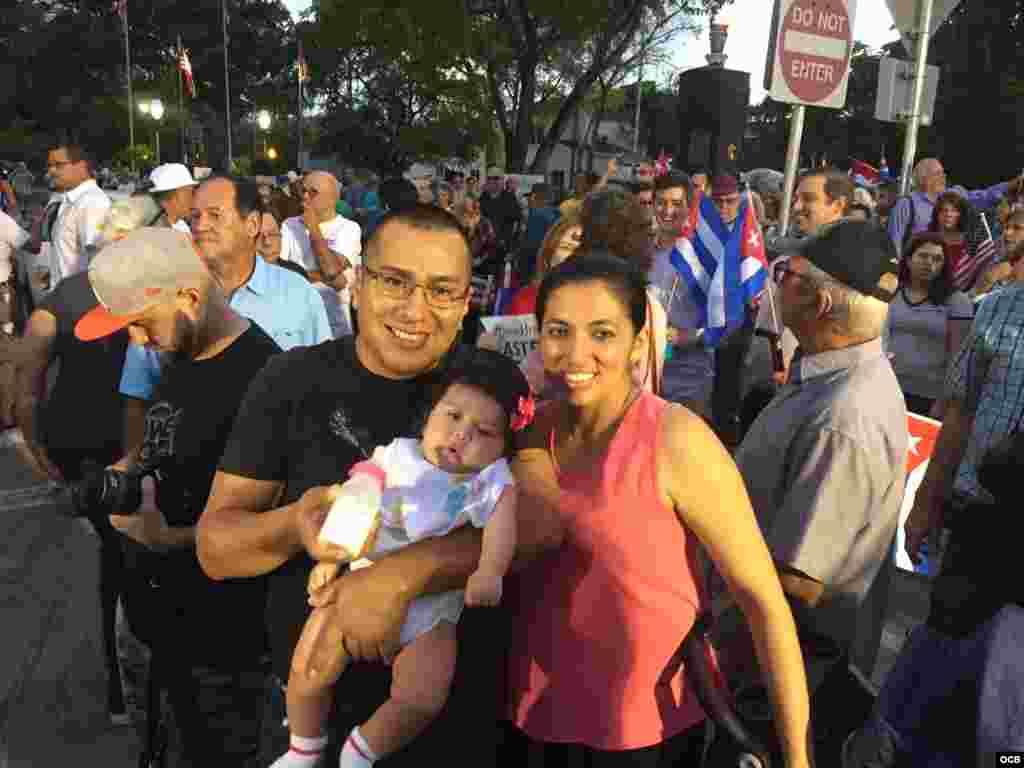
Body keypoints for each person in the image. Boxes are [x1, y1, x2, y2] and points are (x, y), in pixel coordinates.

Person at [195, 204, 563, 767]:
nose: (416, 310)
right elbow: (216, 547)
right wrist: (295, 524)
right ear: (360, 284)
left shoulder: (492, 388)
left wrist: (400, 576)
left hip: (448, 721)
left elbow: (540, 522)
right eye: (395, 281)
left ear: (466, 302)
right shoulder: (289, 380)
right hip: (311, 711)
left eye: (442, 291)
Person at [502, 252, 812, 768]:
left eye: (602, 333)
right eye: (559, 330)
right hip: (527, 719)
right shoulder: (531, 430)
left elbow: (764, 602)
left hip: (642, 736)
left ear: (638, 342)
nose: (578, 353)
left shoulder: (676, 438)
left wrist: (798, 758)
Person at [75, 227, 283, 766]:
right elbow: (167, 440)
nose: (138, 343)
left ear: (189, 298)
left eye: (141, 325)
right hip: (153, 626)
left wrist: (166, 538)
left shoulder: (266, 379)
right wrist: (133, 466)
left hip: (221, 648)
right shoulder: (183, 352)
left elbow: (280, 523)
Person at [272, 357, 529, 768]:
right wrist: (337, 550)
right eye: (453, 416)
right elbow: (360, 495)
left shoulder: (490, 481)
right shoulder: (397, 455)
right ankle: (303, 747)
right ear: (429, 417)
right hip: (362, 573)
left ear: (502, 448)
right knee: (309, 665)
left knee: (423, 695)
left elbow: (502, 525)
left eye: (482, 432)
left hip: (433, 603)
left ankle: (362, 750)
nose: (461, 435)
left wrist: (490, 570)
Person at [726, 222, 906, 758]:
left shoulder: (843, 418)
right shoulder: (825, 379)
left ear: (820, 300)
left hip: (782, 680)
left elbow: (800, 581)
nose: (776, 284)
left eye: (787, 274)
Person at [8, 196, 160, 728]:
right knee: (127, 557)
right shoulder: (144, 293)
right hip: (124, 448)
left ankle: (126, 685)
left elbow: (26, 382)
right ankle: (134, 683)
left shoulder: (62, 298)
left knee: (116, 558)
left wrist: (33, 447)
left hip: (82, 446)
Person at [117, 176, 332, 450]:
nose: (200, 225)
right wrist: (135, 470)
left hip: (272, 466)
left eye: (214, 215)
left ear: (252, 224)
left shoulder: (298, 293)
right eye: (195, 216)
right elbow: (137, 393)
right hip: (184, 467)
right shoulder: (165, 294)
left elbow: (321, 386)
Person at [887, 233, 973, 417]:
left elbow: (957, 358)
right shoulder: (891, 292)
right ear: (908, 260)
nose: (929, 263)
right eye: (923, 256)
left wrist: (943, 400)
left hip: (929, 396)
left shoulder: (957, 301)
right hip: (887, 386)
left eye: (937, 259)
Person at [887, 158, 1023, 252]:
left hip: (950, 264)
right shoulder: (906, 204)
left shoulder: (955, 194)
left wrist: (1010, 185)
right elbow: (894, 242)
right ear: (924, 179)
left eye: (943, 173)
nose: (944, 177)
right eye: (938, 174)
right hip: (918, 265)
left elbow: (984, 197)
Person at [280, 170, 360, 292]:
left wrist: (313, 228)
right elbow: (280, 271)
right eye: (303, 190)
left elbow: (331, 270)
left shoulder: (349, 228)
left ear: (333, 198)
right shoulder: (289, 224)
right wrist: (323, 277)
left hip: (330, 307)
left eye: (313, 192)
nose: (305, 196)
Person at [45, 142, 111, 283]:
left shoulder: (92, 201)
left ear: (81, 165)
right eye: (49, 165)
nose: (51, 171)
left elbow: (99, 260)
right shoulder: (70, 200)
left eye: (58, 165)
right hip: (63, 297)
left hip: (78, 301)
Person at [504, 212, 582, 317]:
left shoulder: (604, 305)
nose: (573, 256)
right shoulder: (525, 302)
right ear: (549, 255)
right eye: (566, 247)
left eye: (582, 250)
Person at [926, 190, 992, 292]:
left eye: (954, 210)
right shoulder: (926, 238)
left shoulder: (972, 240)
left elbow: (983, 272)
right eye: (944, 210)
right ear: (936, 214)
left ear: (961, 214)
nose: (948, 214)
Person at [258, 204, 309, 279]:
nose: (267, 242)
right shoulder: (238, 281)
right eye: (258, 236)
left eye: (272, 234)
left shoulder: (297, 274)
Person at [148, 163, 197, 234]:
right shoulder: (156, 232)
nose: (192, 199)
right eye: (188, 193)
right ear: (166, 200)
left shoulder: (182, 226)